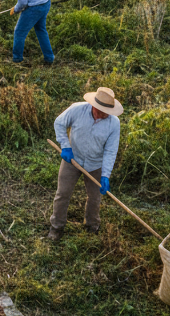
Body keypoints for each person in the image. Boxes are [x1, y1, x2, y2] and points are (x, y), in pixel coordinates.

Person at [48, 86, 123, 241]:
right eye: (100, 111)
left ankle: (91, 227)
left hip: (96, 163)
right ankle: (57, 227)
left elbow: (110, 151)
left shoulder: (114, 124)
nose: (102, 115)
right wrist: (66, 146)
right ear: (93, 105)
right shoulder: (77, 110)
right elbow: (59, 123)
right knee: (63, 194)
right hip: (72, 159)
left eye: (106, 112)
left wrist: (105, 175)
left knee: (95, 198)